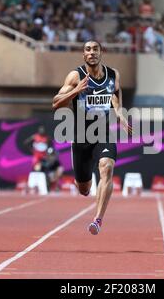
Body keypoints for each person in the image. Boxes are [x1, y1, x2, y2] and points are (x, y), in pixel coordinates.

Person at [52, 40, 132, 235]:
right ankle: (82, 183)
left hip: (102, 132)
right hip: (81, 136)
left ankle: (98, 219)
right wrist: (76, 91)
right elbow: (55, 103)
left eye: (95, 49)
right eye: (88, 49)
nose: (92, 53)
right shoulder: (75, 76)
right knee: (84, 189)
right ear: (83, 55)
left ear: (100, 53)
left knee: (107, 167)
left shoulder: (113, 74)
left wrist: (119, 112)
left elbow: (114, 92)